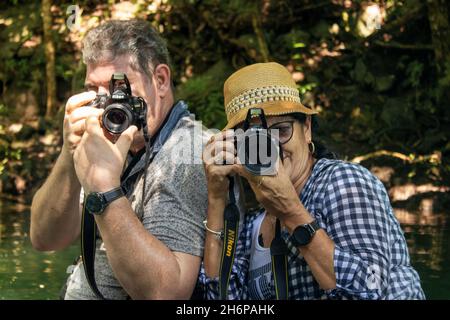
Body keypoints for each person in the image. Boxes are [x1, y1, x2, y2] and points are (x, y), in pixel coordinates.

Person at [198, 62, 425, 300]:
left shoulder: (343, 182)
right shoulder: (253, 218)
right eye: (254, 139)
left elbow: (369, 288)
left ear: (306, 129)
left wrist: (291, 212)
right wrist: (217, 198)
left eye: (281, 131)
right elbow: (221, 297)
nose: (270, 147)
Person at [30, 19, 210, 300]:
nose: (106, 103)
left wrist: (103, 187)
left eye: (120, 88)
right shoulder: (112, 141)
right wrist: (69, 154)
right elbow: (46, 238)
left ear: (160, 80)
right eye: (94, 89)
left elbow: (167, 293)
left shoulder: (187, 151)